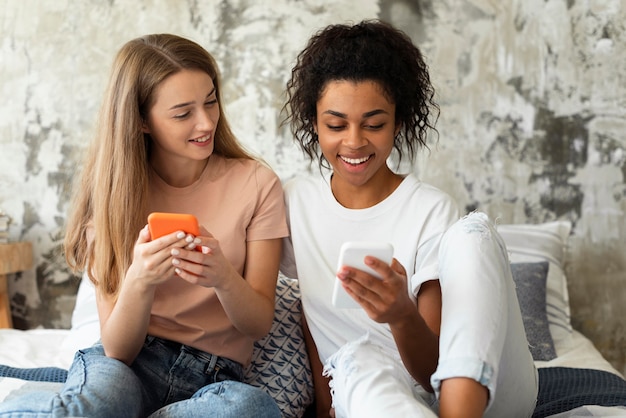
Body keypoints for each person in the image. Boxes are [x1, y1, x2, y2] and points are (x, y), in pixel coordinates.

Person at [0, 34, 286, 418]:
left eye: (211, 101)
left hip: (215, 377)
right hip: (129, 367)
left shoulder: (258, 183)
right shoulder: (114, 194)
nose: (206, 122)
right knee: (101, 399)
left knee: (254, 408)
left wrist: (223, 278)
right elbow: (118, 351)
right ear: (141, 121)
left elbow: (257, 324)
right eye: (183, 113)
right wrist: (140, 279)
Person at [280, 20, 538, 418]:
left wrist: (401, 315)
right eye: (335, 124)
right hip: (366, 392)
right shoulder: (294, 202)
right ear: (314, 123)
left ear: (398, 123)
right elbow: (310, 324)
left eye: (375, 124)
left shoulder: (431, 209)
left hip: (477, 391)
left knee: (473, 233)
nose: (353, 141)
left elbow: (436, 370)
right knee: (358, 364)